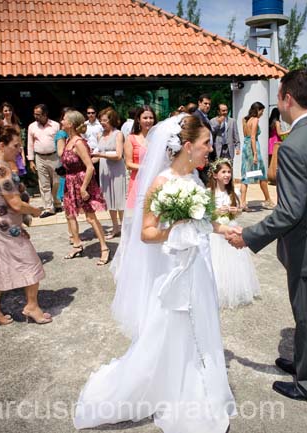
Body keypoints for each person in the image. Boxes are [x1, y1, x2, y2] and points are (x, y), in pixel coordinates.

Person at [75, 114, 236, 432]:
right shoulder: (161, 183)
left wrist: (226, 231)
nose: (210, 150)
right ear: (188, 146)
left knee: (200, 327)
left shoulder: (193, 180)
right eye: (206, 144)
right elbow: (146, 233)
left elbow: (202, 220)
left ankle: (198, 381)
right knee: (168, 329)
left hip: (198, 267)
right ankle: (166, 386)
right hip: (174, 271)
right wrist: (175, 227)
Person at [227, 68, 307, 404]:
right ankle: (303, 361)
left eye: (278, 96)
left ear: (288, 98)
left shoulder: (295, 144)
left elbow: (290, 212)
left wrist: (249, 236)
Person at [0, 121, 50, 326]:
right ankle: (32, 306)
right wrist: (35, 210)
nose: (19, 150)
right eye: (16, 145)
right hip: (6, 225)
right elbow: (16, 204)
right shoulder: (1, 169)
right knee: (30, 262)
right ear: (2, 145)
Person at [208, 158, 260, 308]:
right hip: (216, 232)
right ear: (215, 175)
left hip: (231, 227)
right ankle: (217, 290)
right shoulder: (209, 193)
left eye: (229, 172)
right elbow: (205, 216)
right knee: (217, 262)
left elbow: (237, 214)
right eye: (223, 172)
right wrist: (217, 211)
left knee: (233, 263)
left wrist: (235, 211)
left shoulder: (233, 192)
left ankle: (234, 289)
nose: (227, 175)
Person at [60, 110, 108, 264]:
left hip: (81, 182)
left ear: (71, 124)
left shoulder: (79, 142)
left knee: (90, 217)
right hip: (70, 182)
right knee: (69, 214)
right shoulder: (68, 140)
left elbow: (90, 167)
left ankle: (104, 248)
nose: (61, 121)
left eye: (64, 119)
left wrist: (84, 188)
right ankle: (76, 244)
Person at [92, 107, 126, 239]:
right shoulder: (100, 135)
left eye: (105, 120)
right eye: (101, 120)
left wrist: (101, 154)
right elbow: (97, 155)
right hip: (104, 169)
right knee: (109, 199)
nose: (102, 123)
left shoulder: (118, 134)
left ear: (111, 120)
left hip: (117, 169)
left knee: (119, 198)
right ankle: (115, 226)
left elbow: (118, 155)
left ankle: (124, 226)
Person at [27, 104, 61, 217]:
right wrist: (31, 160)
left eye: (38, 114)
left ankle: (56, 202)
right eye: (34, 114)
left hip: (54, 156)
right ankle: (49, 208)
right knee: (44, 184)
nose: (35, 116)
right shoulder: (32, 127)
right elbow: (30, 144)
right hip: (40, 157)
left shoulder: (56, 125)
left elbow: (61, 141)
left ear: (45, 114)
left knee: (56, 182)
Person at [240, 101, 275, 210]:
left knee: (245, 175)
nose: (262, 113)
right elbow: (253, 137)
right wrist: (255, 154)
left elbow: (246, 136)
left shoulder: (244, 120)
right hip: (253, 148)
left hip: (246, 148)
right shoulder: (255, 120)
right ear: (258, 110)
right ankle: (268, 200)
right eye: (262, 111)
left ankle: (242, 202)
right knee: (262, 175)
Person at [124, 105, 155, 209]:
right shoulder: (131, 138)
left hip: (155, 180)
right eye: (145, 118)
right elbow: (128, 164)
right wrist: (145, 168)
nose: (148, 121)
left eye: (151, 118)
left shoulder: (158, 138)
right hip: (138, 181)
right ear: (138, 119)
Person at [0, 102, 26, 176]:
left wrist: (23, 157)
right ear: (2, 112)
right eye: (5, 111)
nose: (8, 112)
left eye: (9, 110)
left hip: (16, 154)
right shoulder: (1, 125)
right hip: (4, 154)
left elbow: (20, 143)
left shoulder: (16, 126)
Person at [192, 94, 213, 183]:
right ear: (199, 103)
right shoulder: (196, 117)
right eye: (205, 103)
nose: (207, 106)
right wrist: (204, 155)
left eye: (209, 104)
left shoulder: (204, 116)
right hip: (201, 155)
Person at [266, 107, 290, 182]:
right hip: (276, 141)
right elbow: (279, 133)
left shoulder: (269, 121)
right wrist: (288, 131)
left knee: (270, 162)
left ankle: (269, 176)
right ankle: (275, 177)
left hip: (270, 141)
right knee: (276, 161)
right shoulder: (277, 122)